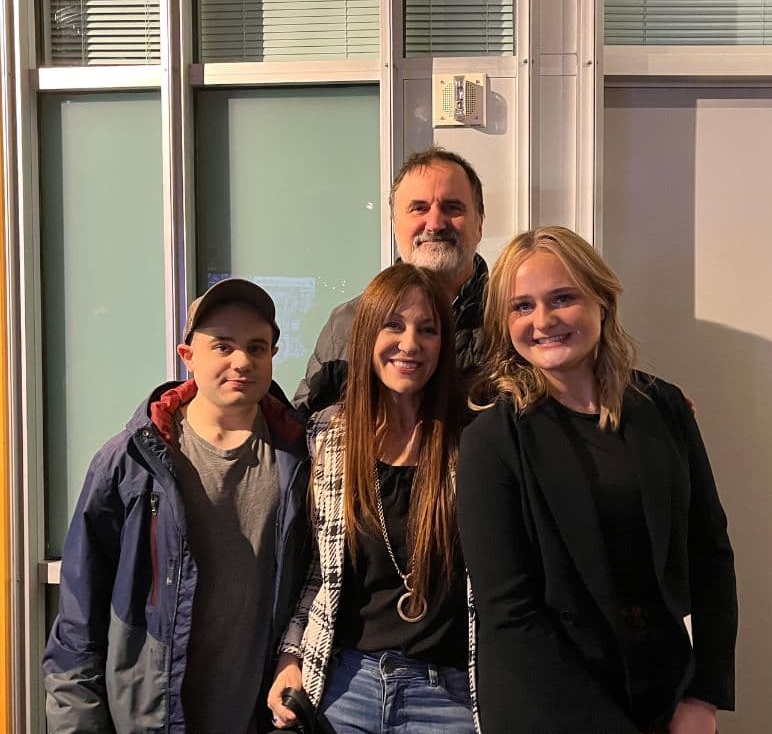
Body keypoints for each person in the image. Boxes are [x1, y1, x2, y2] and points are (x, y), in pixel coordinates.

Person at [457, 227, 737, 734]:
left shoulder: (665, 407)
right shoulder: (491, 440)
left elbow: (710, 552)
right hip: (547, 706)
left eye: (562, 298)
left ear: (601, 301)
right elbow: (509, 615)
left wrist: (704, 695)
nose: (543, 321)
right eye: (521, 306)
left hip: (664, 693)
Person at [43, 278, 310, 734]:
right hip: (150, 718)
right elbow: (77, 622)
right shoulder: (130, 461)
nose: (241, 361)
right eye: (222, 346)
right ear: (188, 357)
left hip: (261, 719)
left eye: (257, 347)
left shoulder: (300, 458)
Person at [269, 263, 475, 734]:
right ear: (366, 337)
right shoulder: (329, 436)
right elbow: (318, 572)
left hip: (449, 695)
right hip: (345, 687)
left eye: (428, 329)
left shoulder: (474, 440)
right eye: (393, 325)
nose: (410, 343)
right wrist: (291, 655)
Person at [294, 146, 487, 418]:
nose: (434, 223)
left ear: (479, 223)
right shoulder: (348, 322)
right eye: (419, 208)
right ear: (395, 225)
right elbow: (306, 428)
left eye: (452, 207)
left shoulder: (512, 321)